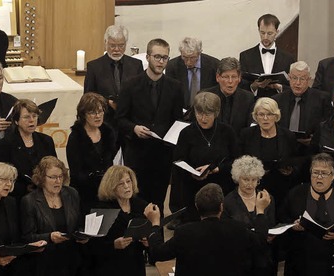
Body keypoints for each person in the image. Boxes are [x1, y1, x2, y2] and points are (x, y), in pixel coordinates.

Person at [116, 38, 184, 212]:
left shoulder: (175, 87)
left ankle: (156, 238)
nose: (161, 61)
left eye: (165, 58)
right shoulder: (130, 85)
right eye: (157, 57)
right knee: (138, 202)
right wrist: (134, 128)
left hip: (162, 155)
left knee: (158, 203)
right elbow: (120, 119)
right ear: (147, 57)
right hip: (138, 154)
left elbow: (177, 121)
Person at [144, 183, 271, 276]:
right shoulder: (237, 229)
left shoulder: (185, 232)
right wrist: (260, 211)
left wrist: (155, 224)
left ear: (196, 206)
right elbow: (260, 240)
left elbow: (158, 253)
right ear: (221, 207)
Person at [279, 153, 334, 275]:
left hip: (333, 262)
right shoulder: (295, 194)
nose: (319, 177)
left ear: (333, 176)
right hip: (301, 262)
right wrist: (293, 225)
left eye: (324, 173)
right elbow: (281, 219)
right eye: (315, 172)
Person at [173, 92, 238, 221]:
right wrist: (192, 173)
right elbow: (178, 161)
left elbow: (236, 160)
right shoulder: (186, 133)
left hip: (222, 188)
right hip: (193, 190)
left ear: (216, 113)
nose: (203, 118)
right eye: (199, 114)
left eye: (207, 114)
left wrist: (217, 168)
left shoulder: (227, 131)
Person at [20, 156, 84, 276]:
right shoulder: (30, 201)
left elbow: (79, 224)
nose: (58, 181)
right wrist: (49, 237)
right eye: (53, 177)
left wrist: (83, 235)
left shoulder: (72, 193)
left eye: (60, 176)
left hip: (72, 260)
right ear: (42, 178)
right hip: (45, 262)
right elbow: (27, 237)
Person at [89, 165, 148, 276]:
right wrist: (113, 245)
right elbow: (92, 246)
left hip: (136, 265)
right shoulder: (102, 210)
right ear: (111, 187)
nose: (127, 186)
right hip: (111, 267)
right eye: (121, 183)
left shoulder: (140, 205)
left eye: (128, 181)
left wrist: (147, 242)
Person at [0, 99, 57, 201]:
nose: (31, 120)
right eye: (26, 117)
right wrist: (24, 188)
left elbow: (55, 168)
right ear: (16, 121)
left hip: (44, 196)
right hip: (17, 198)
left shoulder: (46, 141)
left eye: (34, 116)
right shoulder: (5, 144)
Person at [239, 98, 298, 207]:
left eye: (269, 114)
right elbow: (240, 162)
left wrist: (290, 170)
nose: (265, 118)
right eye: (261, 115)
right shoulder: (246, 135)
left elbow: (295, 160)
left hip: (282, 188)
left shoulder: (288, 136)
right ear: (256, 116)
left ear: (276, 116)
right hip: (255, 188)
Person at [222, 156, 275, 276]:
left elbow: (271, 224)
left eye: (254, 180)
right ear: (237, 179)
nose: (250, 184)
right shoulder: (228, 201)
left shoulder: (267, 198)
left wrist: (271, 235)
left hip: (262, 258)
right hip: (239, 258)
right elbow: (225, 232)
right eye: (246, 179)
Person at [84, 25, 143, 129]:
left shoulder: (136, 65)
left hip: (130, 122)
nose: (116, 50)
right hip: (105, 121)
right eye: (112, 45)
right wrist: (107, 102)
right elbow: (88, 96)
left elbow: (141, 92)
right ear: (105, 43)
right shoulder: (94, 66)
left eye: (121, 45)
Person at [66, 93, 116, 213]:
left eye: (100, 111)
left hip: (107, 189)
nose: (98, 116)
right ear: (83, 115)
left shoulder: (108, 132)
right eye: (92, 112)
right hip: (84, 192)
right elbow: (76, 172)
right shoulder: (76, 137)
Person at [239, 14, 295, 98]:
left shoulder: (288, 58)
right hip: (254, 104)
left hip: (279, 104)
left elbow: (292, 85)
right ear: (258, 30)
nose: (265, 37)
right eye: (262, 33)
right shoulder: (246, 56)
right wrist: (253, 86)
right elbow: (241, 85)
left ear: (277, 32)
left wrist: (279, 87)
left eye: (269, 33)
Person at [201, 57, 255, 134]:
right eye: (226, 77)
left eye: (234, 77)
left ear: (239, 78)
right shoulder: (205, 96)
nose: (230, 81)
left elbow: (249, 129)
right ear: (217, 77)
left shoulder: (248, 98)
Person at [165, 37, 219, 108]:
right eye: (185, 57)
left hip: (207, 110)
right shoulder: (172, 66)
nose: (188, 62)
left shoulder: (214, 65)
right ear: (181, 53)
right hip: (181, 111)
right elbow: (169, 93)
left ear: (199, 53)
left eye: (192, 57)